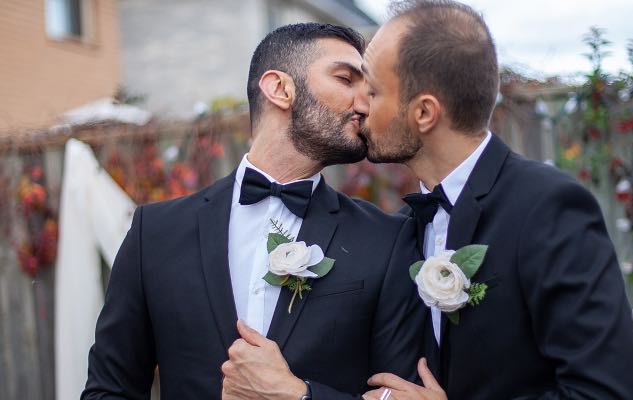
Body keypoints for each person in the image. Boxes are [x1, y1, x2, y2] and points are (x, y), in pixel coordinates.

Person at [83, 22, 426, 400]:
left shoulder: (386, 240)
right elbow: (108, 392)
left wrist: (300, 395)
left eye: (369, 89)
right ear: (279, 88)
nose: (364, 104)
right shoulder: (155, 234)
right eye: (346, 79)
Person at [359, 1, 633, 399]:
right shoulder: (404, 224)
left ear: (424, 112)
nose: (360, 106)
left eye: (372, 91)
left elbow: (610, 392)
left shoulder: (549, 208)